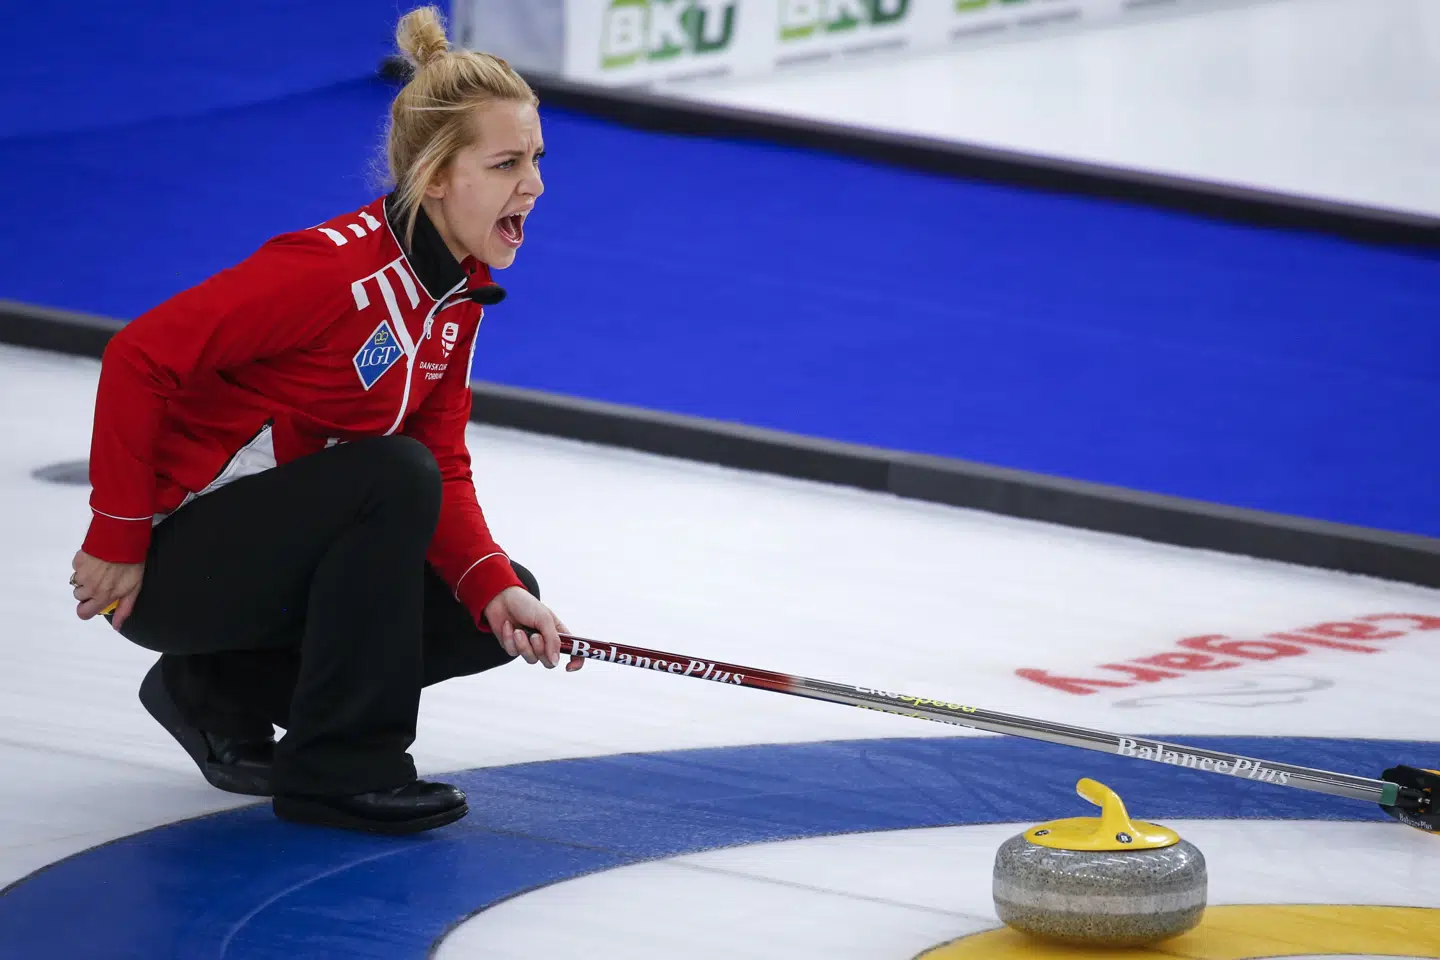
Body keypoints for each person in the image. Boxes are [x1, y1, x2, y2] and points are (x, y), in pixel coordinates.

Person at [67, 6, 581, 836]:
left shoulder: (456, 291)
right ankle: (341, 772)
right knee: (388, 476)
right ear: (438, 176)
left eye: (537, 160)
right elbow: (141, 356)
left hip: (262, 561)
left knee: (479, 607)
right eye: (508, 162)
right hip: (173, 563)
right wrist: (118, 532)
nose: (536, 184)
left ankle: (212, 690)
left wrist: (491, 581)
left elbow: (440, 456)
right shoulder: (327, 272)